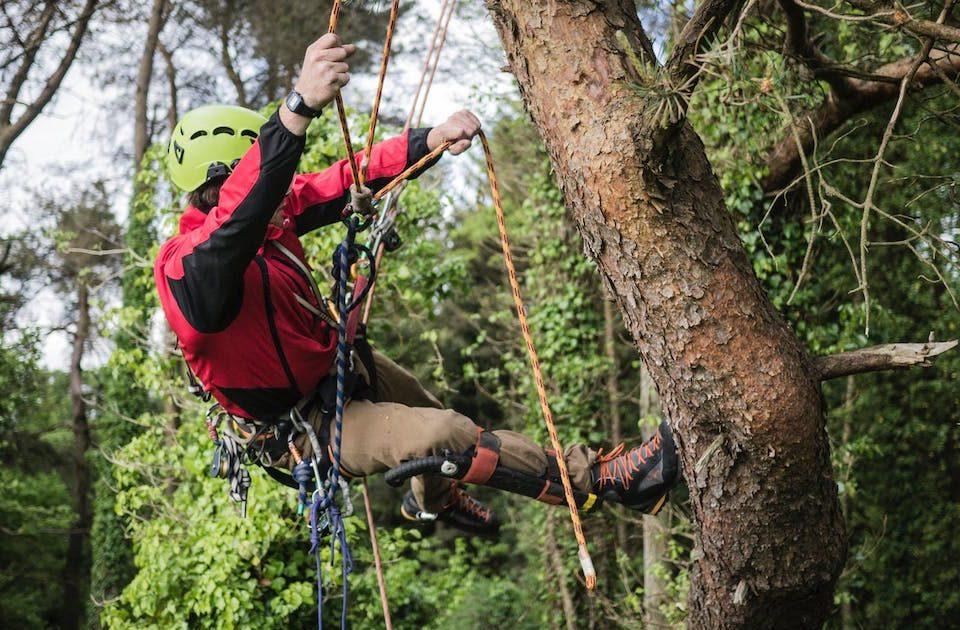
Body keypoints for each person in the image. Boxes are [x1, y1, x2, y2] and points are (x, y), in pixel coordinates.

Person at [155, 33, 680, 534]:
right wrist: (296, 108)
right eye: (265, 185)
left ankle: (433, 500)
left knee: (427, 407)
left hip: (336, 368)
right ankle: (607, 483)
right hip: (302, 430)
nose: (283, 196)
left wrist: (429, 140)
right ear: (226, 186)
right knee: (443, 434)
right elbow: (231, 235)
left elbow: (345, 179)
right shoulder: (186, 270)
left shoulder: (275, 209)